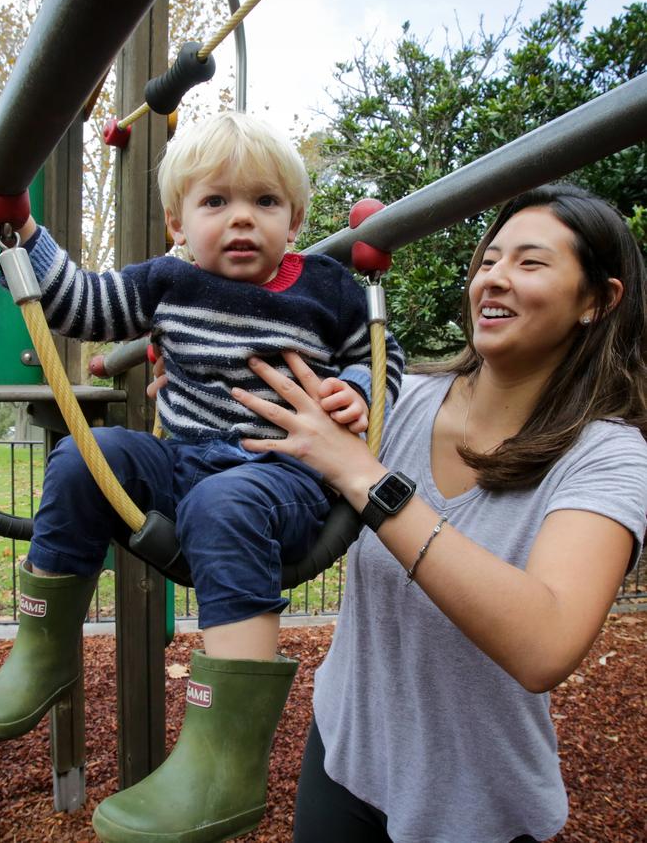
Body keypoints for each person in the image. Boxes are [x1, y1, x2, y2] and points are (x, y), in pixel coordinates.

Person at [0, 111, 404, 843]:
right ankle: (42, 651)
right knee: (90, 452)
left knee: (228, 495)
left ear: (296, 218)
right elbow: (82, 304)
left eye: (265, 203)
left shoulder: (330, 287)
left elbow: (379, 352)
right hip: (181, 463)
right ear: (176, 221)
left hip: (279, 478)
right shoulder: (168, 281)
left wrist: (359, 392)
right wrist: (23, 235)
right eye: (216, 202)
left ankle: (226, 763)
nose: (241, 219)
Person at [229, 183, 647, 843]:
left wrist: (367, 476)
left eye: (530, 263)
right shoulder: (404, 399)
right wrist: (210, 378)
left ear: (597, 300)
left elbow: (546, 644)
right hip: (344, 756)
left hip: (476, 805)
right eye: (488, 260)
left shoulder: (607, 456)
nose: (495, 280)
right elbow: (279, 484)